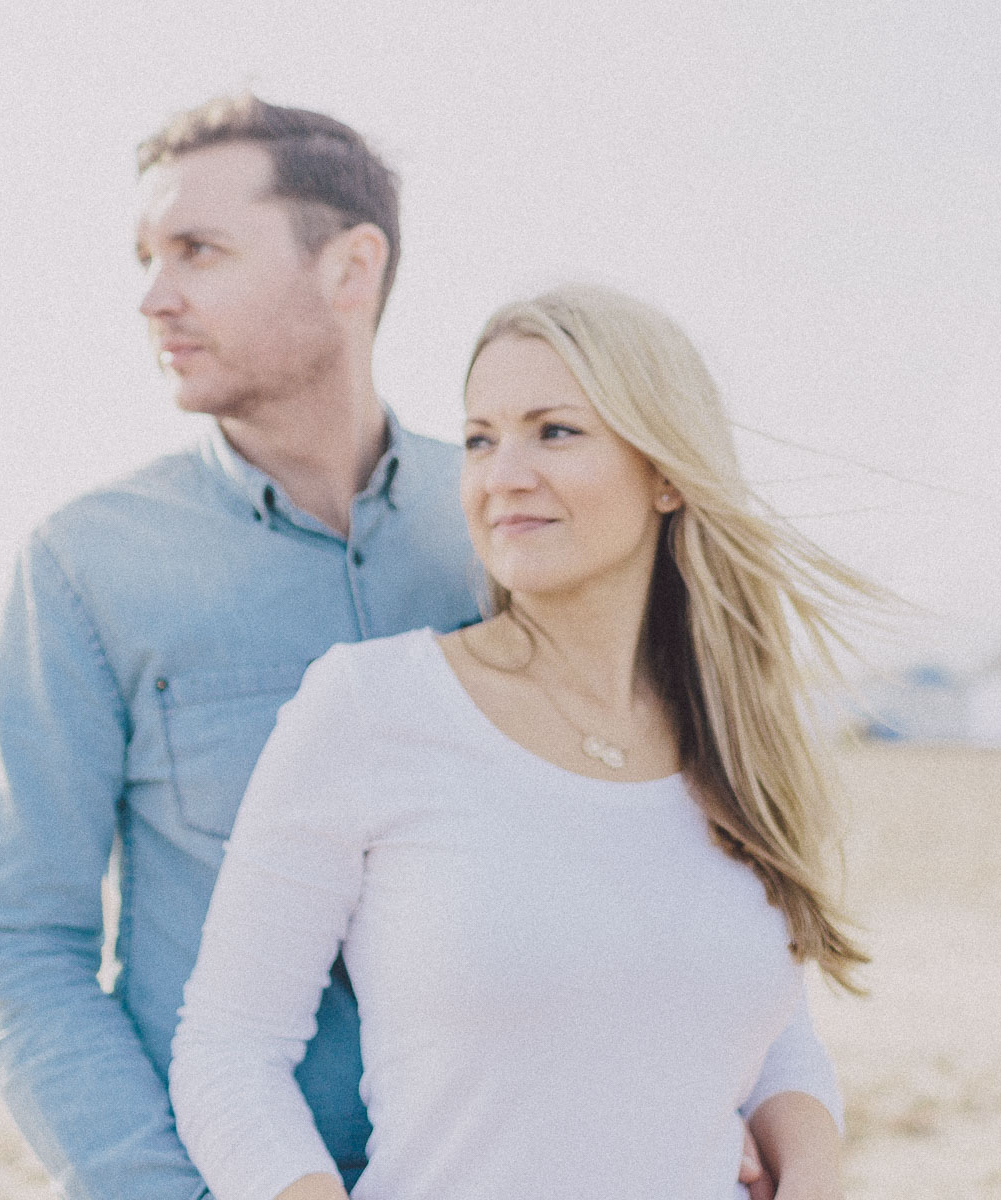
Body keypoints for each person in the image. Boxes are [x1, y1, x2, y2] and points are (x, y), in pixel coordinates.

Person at [0, 96, 839, 1200]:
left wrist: (735, 1117)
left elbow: (675, 891)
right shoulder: (89, 567)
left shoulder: (520, 525)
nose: (154, 296)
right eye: (146, 257)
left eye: (198, 251)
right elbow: (20, 946)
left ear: (351, 268)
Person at [168, 283, 874, 1200]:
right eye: (479, 438)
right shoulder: (372, 708)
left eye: (555, 431)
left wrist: (813, 1173)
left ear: (666, 471)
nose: (503, 474)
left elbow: (770, 1043)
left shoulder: (736, 739)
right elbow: (228, 1051)